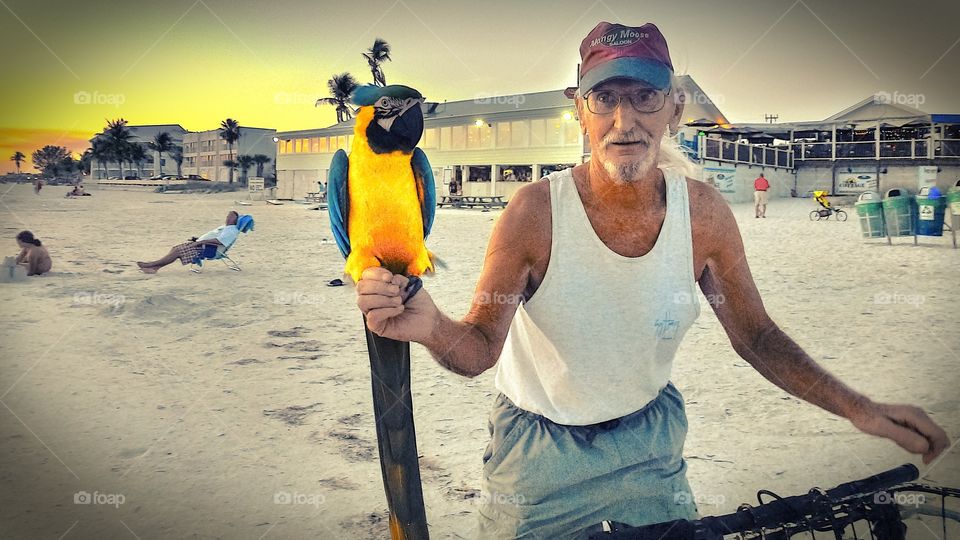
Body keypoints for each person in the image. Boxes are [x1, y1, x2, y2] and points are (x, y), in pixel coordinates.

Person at [355, 21, 949, 539]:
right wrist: (431, 326)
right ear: (579, 108)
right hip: (538, 455)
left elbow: (757, 336)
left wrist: (858, 408)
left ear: (675, 107)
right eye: (605, 98)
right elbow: (479, 347)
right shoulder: (533, 214)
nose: (625, 120)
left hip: (651, 443)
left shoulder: (705, 215)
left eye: (644, 96)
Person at [136, 211, 240, 273]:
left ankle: (151, 265)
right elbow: (213, 237)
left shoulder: (231, 230)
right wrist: (197, 239)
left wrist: (199, 243)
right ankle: (154, 267)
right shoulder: (225, 227)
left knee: (177, 252)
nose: (228, 218)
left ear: (235, 220)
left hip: (209, 249)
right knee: (175, 248)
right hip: (202, 244)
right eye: (228, 215)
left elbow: (219, 241)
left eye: (231, 216)